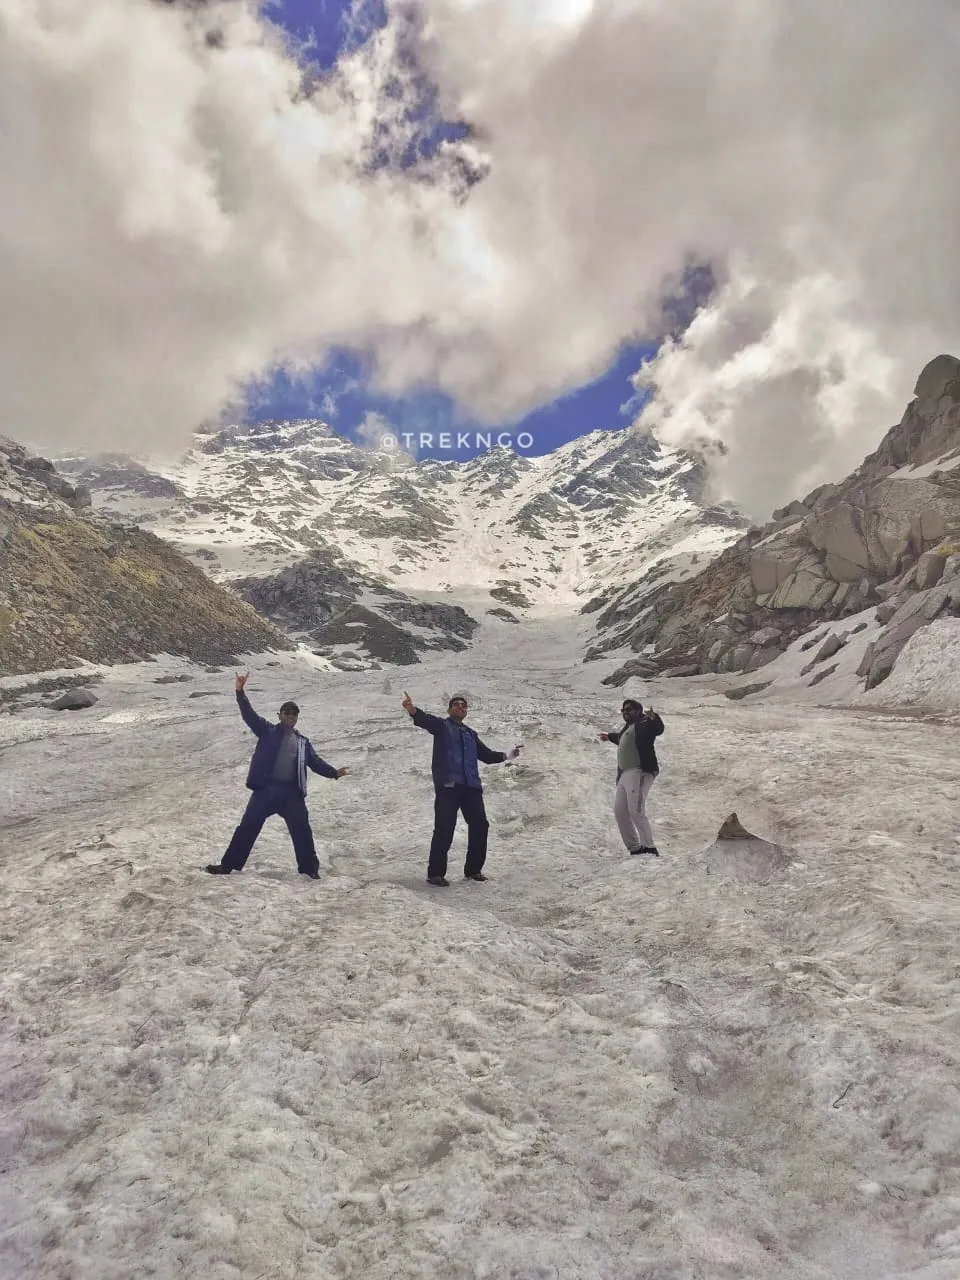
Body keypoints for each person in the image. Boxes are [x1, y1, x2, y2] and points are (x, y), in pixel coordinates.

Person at [205, 673, 348, 879]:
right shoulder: (266, 731)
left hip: (292, 794)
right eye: (287, 712)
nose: (291, 716)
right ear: (279, 714)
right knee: (248, 827)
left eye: (294, 714)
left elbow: (315, 762)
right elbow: (249, 715)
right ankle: (228, 866)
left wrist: (334, 773)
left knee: (302, 832)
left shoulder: (303, 742)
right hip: (266, 790)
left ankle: (310, 871)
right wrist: (240, 691)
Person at [401, 690, 521, 887]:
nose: (460, 707)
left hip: (471, 788)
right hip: (448, 786)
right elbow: (425, 720)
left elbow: (487, 755)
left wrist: (507, 755)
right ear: (449, 710)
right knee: (444, 829)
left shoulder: (471, 734)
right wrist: (411, 709)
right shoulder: (442, 726)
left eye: (464, 706)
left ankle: (474, 871)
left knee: (480, 826)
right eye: (456, 705)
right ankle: (436, 874)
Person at [599, 698, 664, 857]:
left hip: (639, 771)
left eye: (629, 709)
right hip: (624, 774)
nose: (626, 712)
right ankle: (635, 848)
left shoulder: (644, 723)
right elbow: (621, 739)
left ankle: (649, 848)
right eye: (623, 710)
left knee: (636, 810)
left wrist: (654, 716)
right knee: (620, 812)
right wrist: (608, 736)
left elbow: (658, 729)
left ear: (638, 710)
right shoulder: (627, 729)